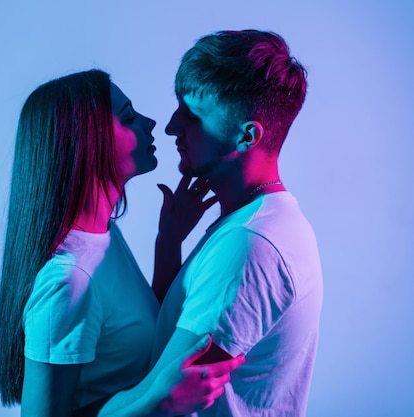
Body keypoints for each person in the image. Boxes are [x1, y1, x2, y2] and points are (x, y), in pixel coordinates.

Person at [84, 30, 323, 417]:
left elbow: (160, 401)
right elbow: (166, 349)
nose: (172, 126)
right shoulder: (249, 222)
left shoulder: (251, 245)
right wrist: (170, 243)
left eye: (193, 116)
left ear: (247, 136)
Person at [0, 69, 244, 417]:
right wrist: (156, 401)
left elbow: (134, 335)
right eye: (128, 117)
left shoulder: (103, 235)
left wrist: (168, 242)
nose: (152, 123)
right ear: (84, 142)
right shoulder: (68, 281)